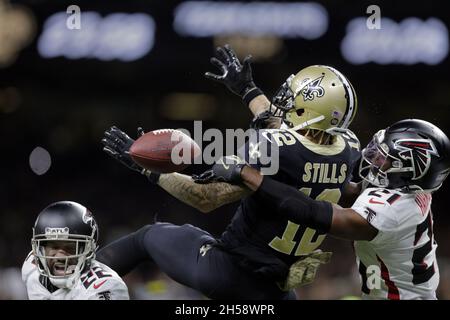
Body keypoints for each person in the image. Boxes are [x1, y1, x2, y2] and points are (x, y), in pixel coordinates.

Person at [97, 45, 361, 299]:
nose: (286, 101)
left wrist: (147, 169)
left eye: (294, 99)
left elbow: (205, 197)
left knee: (145, 238)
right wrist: (248, 90)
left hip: (229, 272)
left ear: (309, 111)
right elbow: (292, 133)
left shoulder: (273, 147)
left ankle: (78, 290)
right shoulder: (347, 148)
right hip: (276, 289)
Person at [200, 119, 450, 300]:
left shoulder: (394, 208)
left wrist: (247, 173)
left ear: (410, 170)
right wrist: (252, 95)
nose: (373, 159)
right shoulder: (405, 192)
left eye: (384, 158)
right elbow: (315, 164)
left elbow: (314, 213)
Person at [22, 201, 129, 300]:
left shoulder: (103, 287)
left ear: (88, 249)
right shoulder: (31, 270)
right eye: (54, 247)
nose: (60, 257)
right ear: (39, 248)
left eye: (70, 248)